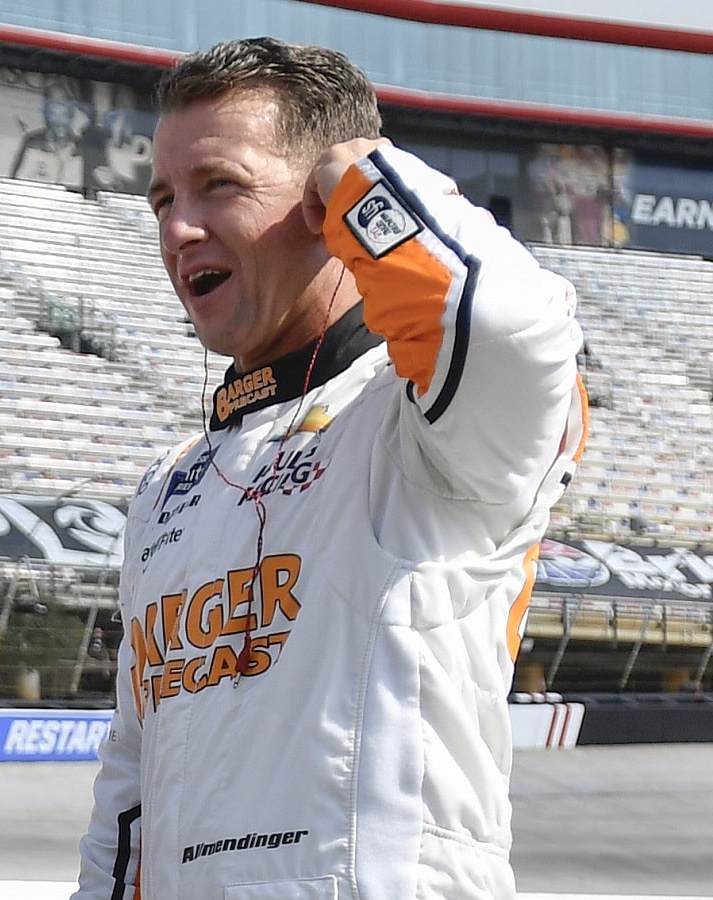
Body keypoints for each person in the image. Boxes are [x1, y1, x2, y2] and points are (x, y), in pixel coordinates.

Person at [74, 38, 586, 899]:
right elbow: (130, 784)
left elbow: (507, 325)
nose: (176, 228)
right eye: (162, 198)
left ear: (325, 201)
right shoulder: (169, 485)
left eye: (220, 186)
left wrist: (362, 177)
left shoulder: (426, 423)